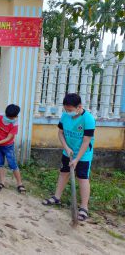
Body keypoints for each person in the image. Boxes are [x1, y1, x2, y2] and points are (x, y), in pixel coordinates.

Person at [42, 93, 95, 221]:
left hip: (83, 154)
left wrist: (77, 159)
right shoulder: (65, 115)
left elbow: (86, 141)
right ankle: (56, 197)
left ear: (79, 107)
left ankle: (84, 208)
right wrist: (66, 148)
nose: (67, 112)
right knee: (63, 173)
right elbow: (60, 133)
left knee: (82, 178)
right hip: (68, 151)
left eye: (70, 110)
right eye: (66, 109)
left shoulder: (88, 119)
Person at [0, 104, 26, 194]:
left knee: (13, 164)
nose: (8, 119)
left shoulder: (15, 124)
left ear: (16, 116)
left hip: (8, 147)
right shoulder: (0, 117)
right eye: (7, 116)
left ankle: (20, 184)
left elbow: (8, 138)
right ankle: (1, 182)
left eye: (11, 118)